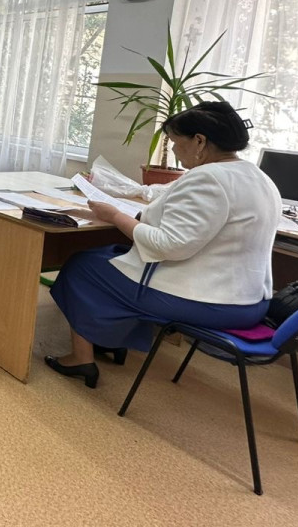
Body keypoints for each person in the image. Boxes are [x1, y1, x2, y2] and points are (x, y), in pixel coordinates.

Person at [45, 102, 282, 389]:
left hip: (213, 303)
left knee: (82, 267)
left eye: (174, 141)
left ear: (199, 141)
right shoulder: (258, 177)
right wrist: (125, 216)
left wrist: (115, 216)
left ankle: (81, 358)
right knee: (108, 256)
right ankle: (108, 341)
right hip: (251, 301)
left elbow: (169, 246)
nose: (172, 150)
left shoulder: (209, 178)